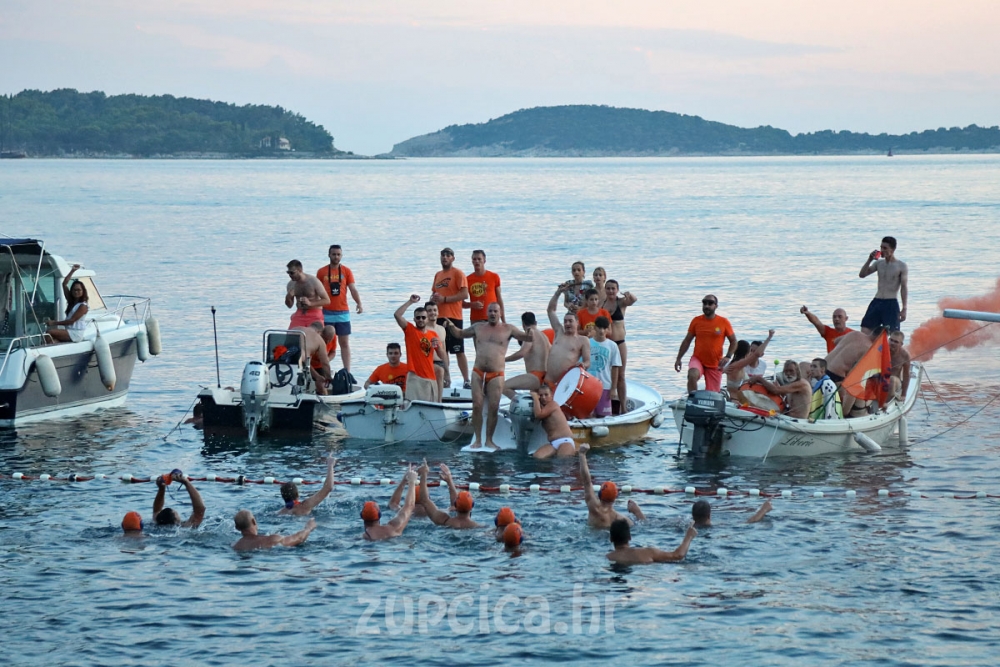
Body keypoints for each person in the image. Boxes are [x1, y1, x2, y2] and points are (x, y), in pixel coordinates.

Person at [445, 303, 532, 450]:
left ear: (500, 313)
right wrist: (451, 326)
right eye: (490, 311)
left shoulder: (508, 329)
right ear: (487, 313)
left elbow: (527, 338)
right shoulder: (478, 327)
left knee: (493, 407)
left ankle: (489, 440)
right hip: (478, 372)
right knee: (477, 405)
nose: (493, 313)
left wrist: (530, 332)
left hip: (496, 374)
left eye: (495, 311)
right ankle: (478, 439)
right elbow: (460, 334)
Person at [674, 295, 737, 393]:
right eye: (704, 303)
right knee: (692, 375)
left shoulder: (723, 322)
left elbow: (733, 341)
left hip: (715, 363)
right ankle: (692, 397)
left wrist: (728, 356)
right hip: (698, 359)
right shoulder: (696, 321)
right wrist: (678, 358)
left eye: (710, 303)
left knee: (713, 394)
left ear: (716, 306)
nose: (707, 306)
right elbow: (687, 341)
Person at [317, 245, 363, 373]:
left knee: (344, 343)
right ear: (329, 255)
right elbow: (316, 291)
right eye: (333, 254)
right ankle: (323, 368)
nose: (336, 257)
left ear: (341, 255)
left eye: (338, 254)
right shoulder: (322, 272)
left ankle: (347, 371)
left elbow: (353, 289)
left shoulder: (346, 271)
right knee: (324, 343)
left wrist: (359, 303)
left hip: (343, 312)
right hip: (326, 312)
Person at [578, 443, 645, 527]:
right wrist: (637, 512)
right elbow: (644, 525)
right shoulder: (621, 519)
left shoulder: (595, 509)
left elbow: (587, 482)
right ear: (615, 497)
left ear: (600, 494)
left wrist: (582, 454)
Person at [431, 247, 470, 388]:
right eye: (443, 255)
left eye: (448, 255)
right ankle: (446, 379)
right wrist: (432, 301)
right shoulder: (438, 275)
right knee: (443, 350)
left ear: (453, 258)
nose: (445, 257)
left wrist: (445, 299)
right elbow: (434, 294)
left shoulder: (458, 273)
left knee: (459, 350)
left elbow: (464, 294)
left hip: (454, 317)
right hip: (439, 318)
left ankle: (466, 380)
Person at [825, 326, 885, 416]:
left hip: (823, 366)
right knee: (853, 390)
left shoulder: (855, 333)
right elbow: (854, 374)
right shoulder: (869, 349)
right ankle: (843, 414)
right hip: (836, 375)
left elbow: (836, 341)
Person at [394, 295, 444, 402]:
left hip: (430, 377)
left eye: (423, 317)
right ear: (414, 319)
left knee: (431, 408)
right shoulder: (410, 330)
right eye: (418, 318)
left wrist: (439, 347)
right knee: (412, 406)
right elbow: (397, 315)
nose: (421, 320)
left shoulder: (433, 334)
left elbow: (442, 356)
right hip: (415, 377)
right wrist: (410, 302)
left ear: (427, 319)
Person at [545, 284, 591, 388]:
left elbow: (587, 361)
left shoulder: (583, 340)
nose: (567, 324)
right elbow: (550, 311)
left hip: (564, 385)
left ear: (577, 323)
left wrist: (583, 365)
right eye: (565, 321)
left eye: (570, 321)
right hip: (548, 382)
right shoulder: (559, 332)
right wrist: (557, 293)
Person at [859, 236, 908, 332]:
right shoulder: (879, 264)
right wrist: (869, 259)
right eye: (881, 247)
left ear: (892, 249)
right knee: (865, 330)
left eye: (885, 248)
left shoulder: (901, 266)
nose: (882, 250)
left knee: (893, 333)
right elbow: (862, 275)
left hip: (891, 303)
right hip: (877, 301)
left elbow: (904, 287)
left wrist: (904, 308)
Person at [602, 279, 637, 414]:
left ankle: (623, 407)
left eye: (613, 288)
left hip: (620, 342)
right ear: (605, 290)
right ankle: (605, 405)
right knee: (605, 375)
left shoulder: (621, 302)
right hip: (606, 344)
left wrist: (629, 294)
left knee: (621, 375)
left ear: (617, 290)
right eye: (608, 288)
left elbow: (633, 300)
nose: (611, 291)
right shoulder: (602, 304)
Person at [417, 461, 481, 529]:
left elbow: (424, 500)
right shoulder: (478, 527)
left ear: (455, 505)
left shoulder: (444, 521)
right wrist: (449, 481)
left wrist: (424, 474)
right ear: (472, 505)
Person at [362, 467, 419, 541]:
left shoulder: (364, 537)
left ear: (361, 516)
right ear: (380, 514)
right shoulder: (393, 528)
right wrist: (412, 482)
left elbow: (394, 503)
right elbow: (409, 506)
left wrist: (404, 481)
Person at [503, 312, 550, 399]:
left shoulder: (529, 333)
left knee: (503, 387)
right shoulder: (544, 336)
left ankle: (521, 403)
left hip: (535, 376)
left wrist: (503, 359)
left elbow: (522, 352)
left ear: (523, 324)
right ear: (535, 322)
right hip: (545, 376)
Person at [606, 520, 697, 565]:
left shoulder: (608, 557)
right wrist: (688, 536)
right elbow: (678, 556)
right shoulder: (648, 553)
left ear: (610, 539)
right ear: (630, 537)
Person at [530, 384, 579, 459]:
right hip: (553, 443)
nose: (543, 397)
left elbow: (538, 415)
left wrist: (535, 398)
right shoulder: (543, 408)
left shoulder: (553, 404)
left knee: (562, 461)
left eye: (546, 395)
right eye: (541, 395)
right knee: (537, 457)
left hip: (565, 441)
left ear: (551, 395)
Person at [723, 331, 774, 401]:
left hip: (738, 399)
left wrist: (722, 370)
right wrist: (769, 338)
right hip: (735, 400)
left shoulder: (733, 364)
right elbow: (757, 354)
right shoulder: (738, 364)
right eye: (750, 351)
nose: (751, 353)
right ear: (746, 352)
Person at [45, 264, 90, 343]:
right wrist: (72, 271)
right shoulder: (72, 302)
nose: (76, 292)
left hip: (76, 333)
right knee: (51, 338)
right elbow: (64, 284)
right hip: (69, 331)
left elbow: (71, 321)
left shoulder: (83, 306)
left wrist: (54, 323)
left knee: (49, 333)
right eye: (74, 290)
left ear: (83, 291)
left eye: (79, 290)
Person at [588, 316, 622, 417]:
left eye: (604, 328)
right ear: (595, 328)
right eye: (599, 327)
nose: (602, 331)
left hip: (605, 385)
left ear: (608, 329)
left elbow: (615, 367)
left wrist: (613, 388)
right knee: (588, 415)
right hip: (589, 386)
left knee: (604, 416)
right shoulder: (587, 343)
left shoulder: (612, 346)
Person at [233, 512, 316, 551]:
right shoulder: (271, 540)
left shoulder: (235, 546)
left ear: (237, 527)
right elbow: (299, 538)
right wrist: (308, 528)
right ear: (254, 521)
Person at [285, 260, 330, 329]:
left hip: (314, 313)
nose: (290, 275)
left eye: (292, 273)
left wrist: (310, 303)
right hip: (300, 313)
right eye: (288, 273)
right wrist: (288, 297)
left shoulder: (313, 281)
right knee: (291, 334)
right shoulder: (291, 284)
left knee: (314, 334)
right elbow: (289, 306)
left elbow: (327, 300)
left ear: (300, 270)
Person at [464, 249, 504, 326]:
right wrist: (472, 304)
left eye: (479, 259)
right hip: (476, 319)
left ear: (484, 261)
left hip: (493, 317)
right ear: (472, 261)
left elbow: (499, 299)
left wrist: (503, 321)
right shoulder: (467, 280)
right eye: (474, 259)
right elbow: (460, 303)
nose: (477, 261)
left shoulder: (494, 277)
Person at [293, 322, 332, 395]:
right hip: (300, 364)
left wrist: (317, 376)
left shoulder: (295, 329)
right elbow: (325, 363)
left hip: (282, 360)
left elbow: (305, 361)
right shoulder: (318, 339)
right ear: (319, 332)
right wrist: (329, 378)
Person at [691, 498, 773, 528]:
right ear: (709, 515)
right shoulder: (717, 527)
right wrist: (763, 510)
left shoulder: (688, 525)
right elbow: (748, 523)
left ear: (693, 515)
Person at [425, 301, 449, 400]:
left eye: (435, 310)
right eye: (429, 310)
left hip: (440, 362)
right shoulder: (423, 329)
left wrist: (448, 372)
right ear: (425, 313)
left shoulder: (442, 329)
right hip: (428, 362)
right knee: (439, 371)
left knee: (441, 371)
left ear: (438, 312)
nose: (432, 313)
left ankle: (439, 402)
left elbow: (444, 351)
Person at [888, 330, 911, 400]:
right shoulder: (880, 350)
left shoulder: (905, 355)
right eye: (891, 340)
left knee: (892, 380)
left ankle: (886, 402)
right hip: (880, 379)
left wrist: (904, 394)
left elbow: (906, 375)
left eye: (896, 342)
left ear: (901, 344)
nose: (892, 343)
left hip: (894, 382)